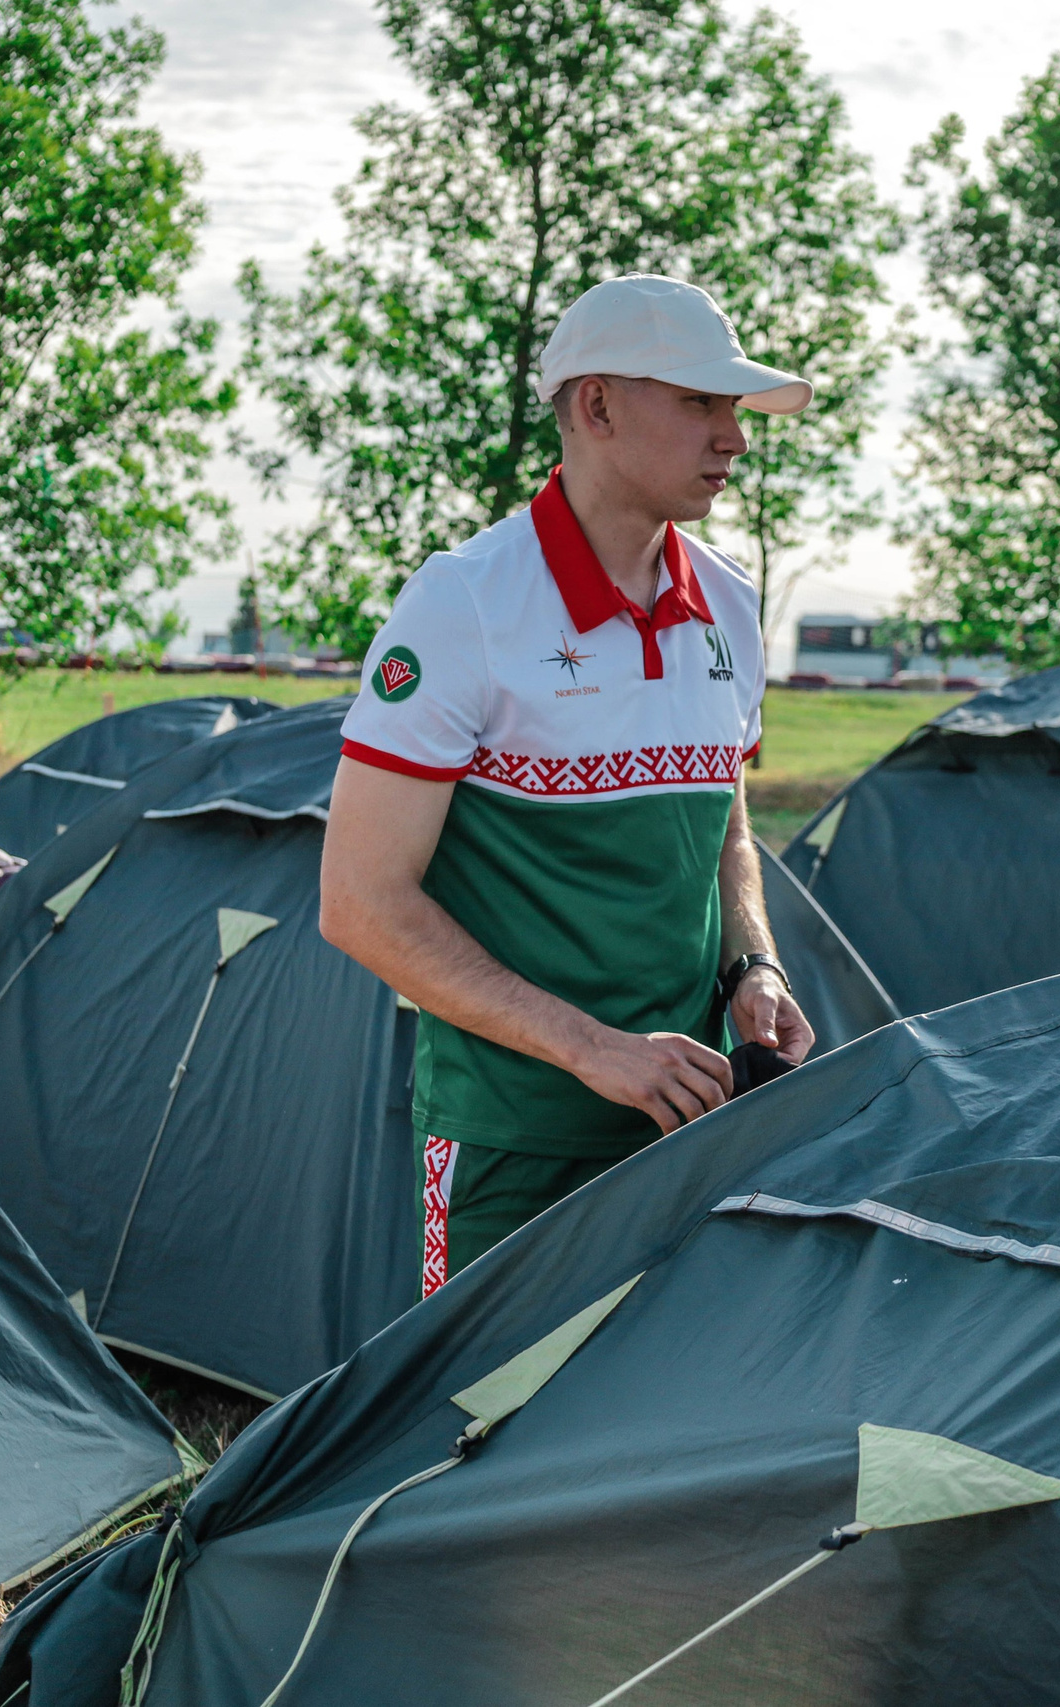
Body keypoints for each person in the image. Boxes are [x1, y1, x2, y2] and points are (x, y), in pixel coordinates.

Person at [318, 274, 817, 1296]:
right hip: (512, 1144)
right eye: (699, 403)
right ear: (595, 405)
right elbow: (359, 907)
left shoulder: (727, 604)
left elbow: (720, 819)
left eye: (733, 408)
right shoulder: (462, 604)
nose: (734, 438)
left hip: (690, 1129)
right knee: (480, 1445)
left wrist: (752, 968)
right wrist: (594, 1050)